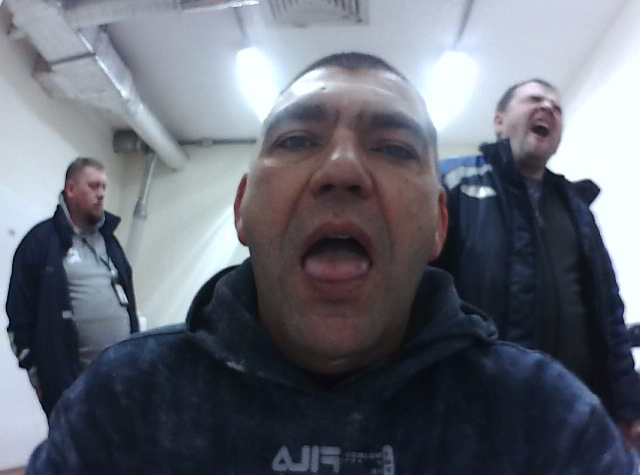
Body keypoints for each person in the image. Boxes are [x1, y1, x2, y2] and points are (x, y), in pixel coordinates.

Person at [27, 54, 635, 474]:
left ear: (438, 225)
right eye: (296, 141)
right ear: (243, 210)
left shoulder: (552, 423)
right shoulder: (122, 402)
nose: (342, 170)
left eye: (393, 147)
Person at [435, 79, 640, 444]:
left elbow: (608, 312)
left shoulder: (576, 207)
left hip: (576, 413)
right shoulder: (451, 182)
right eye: (534, 99)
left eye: (556, 106)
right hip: (473, 416)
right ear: (499, 121)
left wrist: (628, 403)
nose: (547, 107)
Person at [6, 157, 139, 419]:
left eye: (104, 187)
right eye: (93, 186)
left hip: (119, 379)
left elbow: (128, 301)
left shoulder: (110, 243)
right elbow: (19, 315)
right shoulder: (40, 242)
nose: (101, 194)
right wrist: (36, 376)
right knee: (73, 446)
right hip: (68, 385)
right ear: (70, 189)